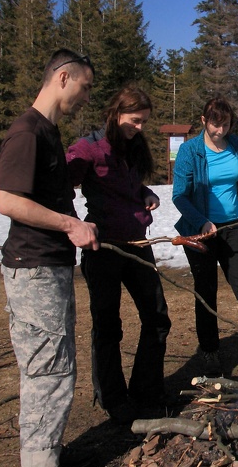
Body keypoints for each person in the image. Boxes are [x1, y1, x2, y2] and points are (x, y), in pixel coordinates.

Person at [0, 49, 99, 467]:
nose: (86, 96)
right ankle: (39, 465)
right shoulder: (27, 132)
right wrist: (69, 225)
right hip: (33, 268)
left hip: (50, 267)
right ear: (62, 78)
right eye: (84, 86)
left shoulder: (49, 132)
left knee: (57, 364)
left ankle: (46, 451)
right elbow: (8, 201)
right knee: (47, 369)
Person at [66, 84, 171, 424]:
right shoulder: (88, 148)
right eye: (135, 120)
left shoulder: (131, 147)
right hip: (104, 249)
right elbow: (61, 182)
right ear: (116, 113)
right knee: (108, 326)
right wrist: (70, 225)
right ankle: (113, 398)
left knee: (157, 318)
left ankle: (147, 390)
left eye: (144, 122)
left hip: (137, 246)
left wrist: (145, 193)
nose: (140, 128)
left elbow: (128, 186)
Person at [171, 96, 238, 377]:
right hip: (199, 232)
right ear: (204, 121)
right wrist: (201, 221)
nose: (220, 131)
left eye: (225, 125)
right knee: (206, 292)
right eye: (215, 125)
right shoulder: (190, 151)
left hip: (230, 228)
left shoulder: (236, 145)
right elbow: (179, 196)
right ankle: (210, 350)